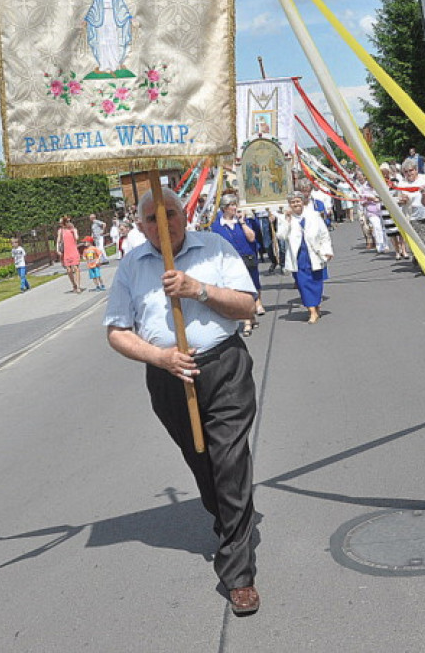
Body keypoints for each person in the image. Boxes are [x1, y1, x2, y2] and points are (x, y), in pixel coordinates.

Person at [104, 187, 261, 616]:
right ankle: (231, 519)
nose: (162, 224)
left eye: (169, 213)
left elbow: (246, 305)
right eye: (151, 219)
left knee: (229, 461)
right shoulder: (132, 265)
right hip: (169, 375)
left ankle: (238, 572)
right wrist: (161, 357)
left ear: (184, 213)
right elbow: (116, 331)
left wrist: (197, 289)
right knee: (203, 461)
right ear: (140, 226)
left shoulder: (214, 248)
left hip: (223, 367)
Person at [210, 193, 264, 335]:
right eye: (231, 205)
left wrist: (243, 223)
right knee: (240, 290)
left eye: (235, 204)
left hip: (248, 258)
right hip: (230, 263)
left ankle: (252, 314)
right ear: (224, 208)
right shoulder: (216, 226)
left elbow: (252, 238)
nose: (235, 207)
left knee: (253, 285)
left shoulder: (245, 221)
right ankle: (247, 322)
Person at [277, 191, 334, 323]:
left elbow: (324, 234)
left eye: (297, 201)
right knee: (303, 284)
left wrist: (327, 250)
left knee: (316, 282)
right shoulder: (285, 218)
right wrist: (287, 221)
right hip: (298, 256)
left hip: (314, 254)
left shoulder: (314, 216)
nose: (295, 204)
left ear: (302, 202)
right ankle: (312, 311)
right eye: (292, 202)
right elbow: (281, 236)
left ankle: (316, 305)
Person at [83, 0, 132, 75]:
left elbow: (122, 7)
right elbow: (93, 8)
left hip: (112, 19)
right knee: (102, 40)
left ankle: (114, 64)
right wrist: (87, 19)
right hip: (101, 19)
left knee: (112, 39)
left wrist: (129, 17)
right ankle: (104, 64)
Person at [397, 159, 425, 275]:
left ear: (416, 170)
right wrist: (402, 200)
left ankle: (419, 258)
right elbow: (399, 200)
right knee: (422, 241)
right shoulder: (402, 184)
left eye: (410, 171)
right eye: (406, 172)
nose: (409, 174)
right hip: (413, 217)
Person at [378, 163, 409, 259]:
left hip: (396, 206)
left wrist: (397, 200)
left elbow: (399, 193)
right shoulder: (379, 183)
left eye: (386, 172)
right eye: (383, 173)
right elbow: (379, 196)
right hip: (386, 209)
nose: (385, 174)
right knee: (391, 231)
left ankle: (403, 250)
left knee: (400, 230)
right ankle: (397, 250)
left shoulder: (395, 181)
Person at [58, 216, 83, 293]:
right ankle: (73, 284)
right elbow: (58, 240)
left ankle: (78, 286)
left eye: (69, 221)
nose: (68, 223)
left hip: (73, 250)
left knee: (76, 268)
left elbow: (77, 238)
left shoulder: (73, 229)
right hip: (66, 252)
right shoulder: (61, 231)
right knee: (69, 270)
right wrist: (58, 249)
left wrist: (74, 231)